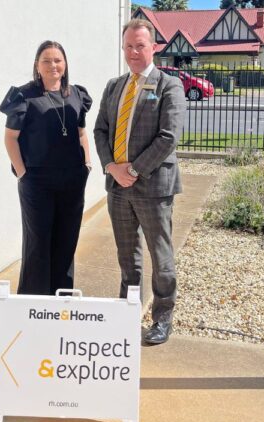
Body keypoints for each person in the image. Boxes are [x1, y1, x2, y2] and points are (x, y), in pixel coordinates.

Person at [93, 19, 185, 345]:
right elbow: (100, 130)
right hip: (118, 189)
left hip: (153, 188)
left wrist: (133, 170)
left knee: (161, 258)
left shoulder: (168, 86)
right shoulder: (114, 86)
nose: (134, 52)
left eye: (140, 46)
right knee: (127, 257)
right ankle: (126, 314)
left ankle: (162, 318)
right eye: (129, 46)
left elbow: (168, 137)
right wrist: (110, 166)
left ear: (154, 47)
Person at [0, 40, 92, 296]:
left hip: (72, 180)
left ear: (65, 64)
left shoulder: (75, 94)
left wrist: (87, 164)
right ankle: (34, 305)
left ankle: (60, 303)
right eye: (47, 60)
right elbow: (10, 138)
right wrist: (22, 173)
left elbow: (81, 132)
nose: (53, 65)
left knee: (66, 241)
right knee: (38, 244)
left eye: (58, 60)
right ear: (37, 65)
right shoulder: (24, 96)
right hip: (37, 182)